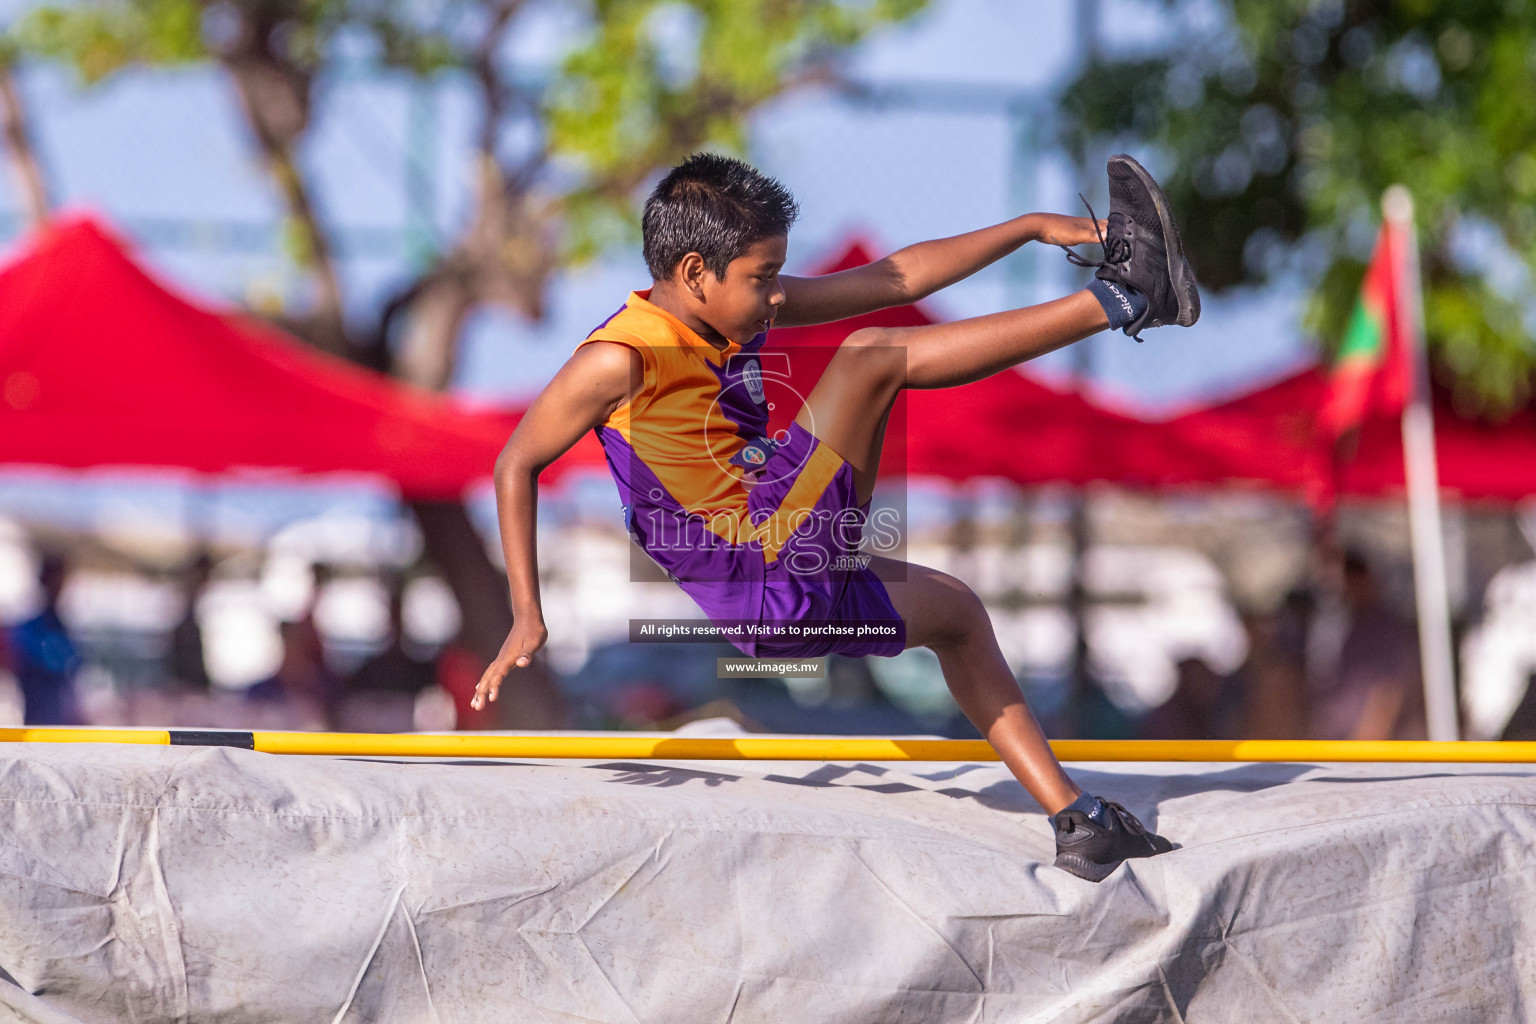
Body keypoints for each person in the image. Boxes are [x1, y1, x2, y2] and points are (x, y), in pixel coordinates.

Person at [473, 152, 1200, 881]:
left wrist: (1032, 226)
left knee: (957, 615)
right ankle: (1123, 301)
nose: (776, 299)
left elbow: (897, 279)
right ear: (695, 273)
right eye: (763, 280)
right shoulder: (619, 357)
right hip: (763, 567)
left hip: (790, 581)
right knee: (868, 356)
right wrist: (528, 614)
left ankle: (1079, 822)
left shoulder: (732, 308)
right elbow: (516, 463)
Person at [1309, 549, 1426, 741]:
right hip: (1338, 745)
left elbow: (1388, 693)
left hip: (1370, 751)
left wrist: (1364, 749)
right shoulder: (1347, 623)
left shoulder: (1385, 627)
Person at [9, 554, 81, 725]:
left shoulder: (62, 624)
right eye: (56, 579)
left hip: (60, 714)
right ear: (45, 581)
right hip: (38, 713)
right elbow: (51, 662)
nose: (60, 586)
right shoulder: (31, 624)